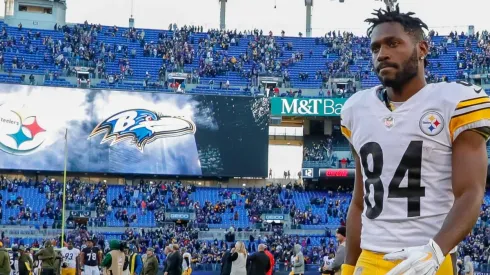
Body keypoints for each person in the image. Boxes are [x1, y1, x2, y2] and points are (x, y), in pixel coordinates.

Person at [340, 5, 489, 275]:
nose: (382, 54)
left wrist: (435, 250)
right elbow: (360, 201)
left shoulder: (454, 101)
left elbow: (471, 192)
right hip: (370, 258)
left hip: (428, 255)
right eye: (375, 48)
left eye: (393, 43)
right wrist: (349, 266)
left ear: (422, 49)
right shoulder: (356, 110)